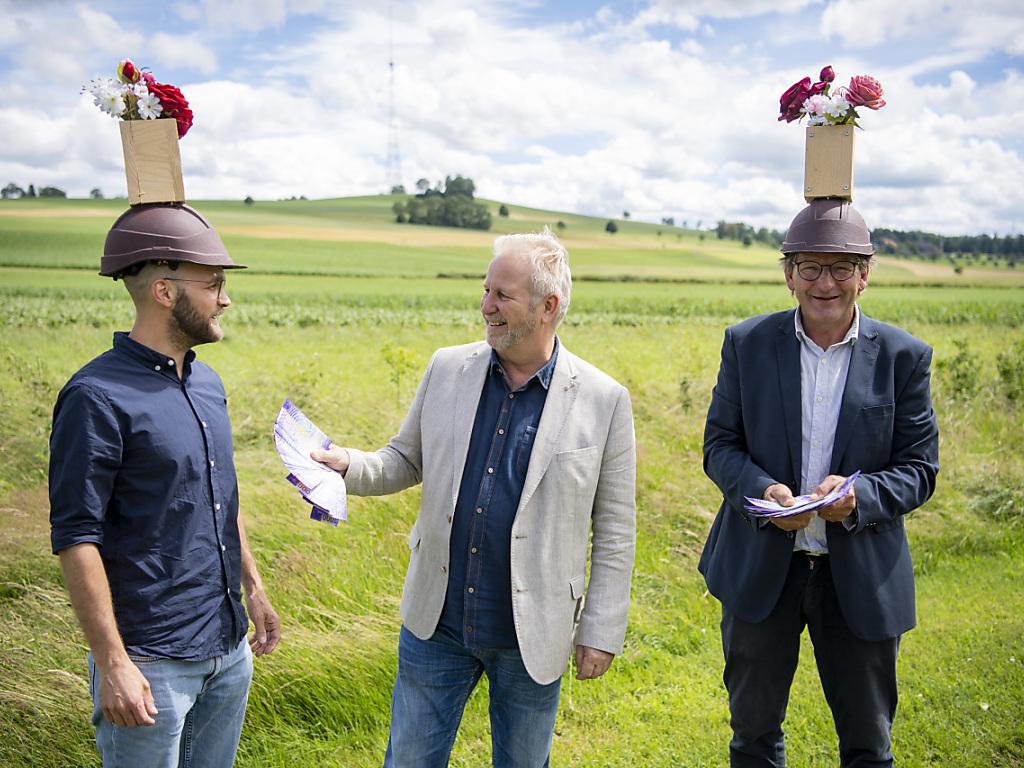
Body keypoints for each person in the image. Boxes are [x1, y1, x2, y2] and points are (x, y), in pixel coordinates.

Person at [312, 229, 636, 768]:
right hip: (437, 621)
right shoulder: (447, 369)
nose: (485, 306)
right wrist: (347, 465)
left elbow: (616, 531)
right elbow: (404, 459)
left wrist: (601, 629)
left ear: (548, 306)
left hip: (533, 632)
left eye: (502, 295)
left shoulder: (604, 400)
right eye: (486, 290)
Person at [698, 198, 939, 768]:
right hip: (762, 569)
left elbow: (919, 468)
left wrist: (858, 498)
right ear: (789, 274)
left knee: (868, 745)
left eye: (841, 268)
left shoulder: (904, 357)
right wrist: (764, 493)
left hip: (859, 578)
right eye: (810, 267)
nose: (825, 283)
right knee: (753, 738)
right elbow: (720, 446)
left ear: (865, 274)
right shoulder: (747, 344)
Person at [49, 203, 281, 768]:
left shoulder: (207, 383)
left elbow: (221, 495)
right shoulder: (95, 396)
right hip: (150, 662)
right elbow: (76, 537)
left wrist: (253, 587)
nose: (225, 299)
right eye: (213, 284)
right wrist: (113, 662)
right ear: (163, 291)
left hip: (228, 647)